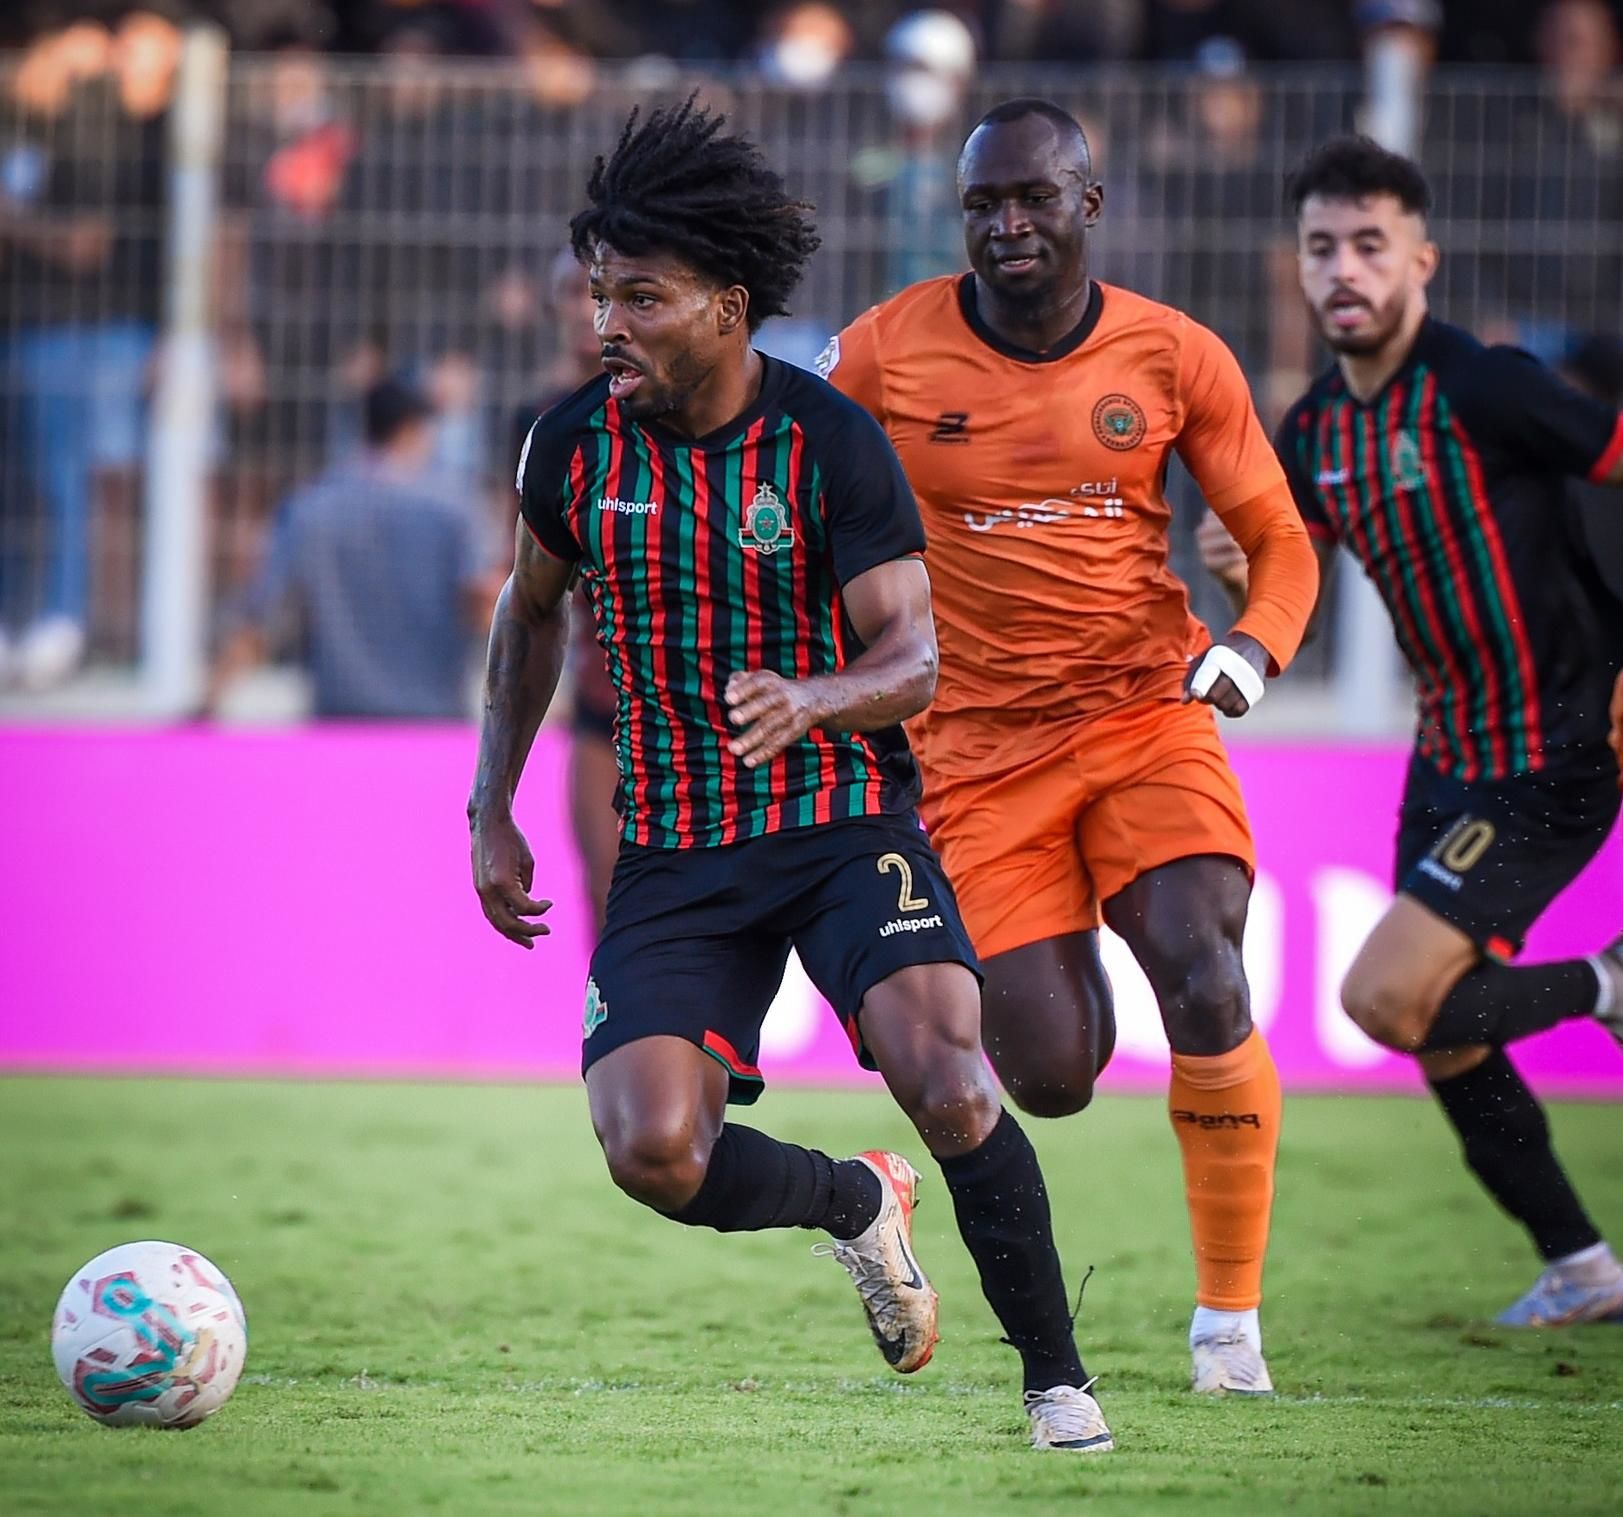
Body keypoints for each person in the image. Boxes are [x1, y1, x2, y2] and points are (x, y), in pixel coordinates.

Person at [467, 98, 1113, 1454]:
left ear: (727, 305)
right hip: (676, 847)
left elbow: (913, 658)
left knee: (948, 1075)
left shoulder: (828, 442)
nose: (607, 323)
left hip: (839, 824)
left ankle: (1058, 1384)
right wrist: (491, 806)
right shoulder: (569, 446)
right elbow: (528, 617)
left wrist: (813, 696)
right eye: (599, 294)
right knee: (652, 1150)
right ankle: (853, 1203)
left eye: (641, 297)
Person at [821, 97, 1320, 1395]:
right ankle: (1068, 964)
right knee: (1048, 1074)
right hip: (973, 756)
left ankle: (1227, 1324)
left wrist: (1252, 647)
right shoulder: (880, 352)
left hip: (1144, 713)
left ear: (1087, 204)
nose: (1007, 224)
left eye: (1032, 197)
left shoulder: (1174, 353)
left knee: (1203, 969)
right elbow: (785, 476)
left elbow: (1277, 538)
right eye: (982, 204)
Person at [1199, 135, 1623, 1325]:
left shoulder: (1486, 386)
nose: (1345, 269)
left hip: (1553, 746)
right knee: (1442, 1032)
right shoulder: (1314, 431)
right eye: (1322, 247)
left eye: (1370, 245)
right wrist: (1244, 573)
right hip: (1443, 762)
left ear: (1420, 262)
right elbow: (1291, 571)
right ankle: (1582, 1264)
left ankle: (1606, 982)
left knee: (1386, 1000)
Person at [207, 375, 496, 720]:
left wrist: (208, 702)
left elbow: (261, 619)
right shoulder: (455, 509)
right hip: (430, 721)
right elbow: (485, 608)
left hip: (339, 722)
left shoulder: (310, 508)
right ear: (411, 430)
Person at [512, 247, 620, 936]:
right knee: (604, 893)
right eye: (573, 293)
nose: (586, 310)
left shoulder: (676, 410)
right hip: (600, 698)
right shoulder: (541, 424)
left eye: (598, 293)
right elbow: (526, 579)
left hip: (696, 696)